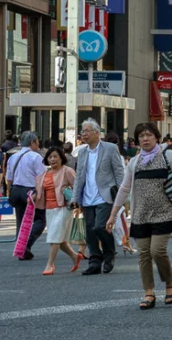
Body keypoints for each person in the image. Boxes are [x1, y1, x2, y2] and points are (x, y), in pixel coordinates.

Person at [108, 122, 172, 309]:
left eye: (148, 135)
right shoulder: (135, 162)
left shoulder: (168, 156)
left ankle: (169, 283)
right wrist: (113, 215)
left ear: (156, 137)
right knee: (144, 254)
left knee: (157, 251)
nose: (145, 139)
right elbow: (124, 189)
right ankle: (149, 292)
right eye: (141, 136)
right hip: (140, 215)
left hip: (164, 213)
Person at [68, 118, 126, 275]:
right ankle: (95, 261)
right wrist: (75, 198)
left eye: (86, 131)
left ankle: (109, 254)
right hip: (87, 197)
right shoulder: (82, 152)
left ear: (96, 132)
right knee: (90, 231)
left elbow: (119, 172)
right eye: (82, 131)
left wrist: (123, 195)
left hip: (105, 196)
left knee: (100, 226)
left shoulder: (110, 148)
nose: (83, 134)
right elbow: (79, 176)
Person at [35, 146, 81, 274]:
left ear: (61, 158)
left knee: (54, 237)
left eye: (55, 156)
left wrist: (78, 205)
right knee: (59, 240)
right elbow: (39, 191)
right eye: (50, 157)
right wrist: (33, 197)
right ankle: (75, 256)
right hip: (49, 209)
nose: (52, 159)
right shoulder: (45, 173)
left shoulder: (67, 171)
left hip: (64, 208)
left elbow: (77, 186)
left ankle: (50, 265)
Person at [5, 131, 46, 260]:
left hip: (16, 190)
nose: (38, 144)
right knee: (40, 218)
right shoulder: (36, 157)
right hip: (30, 191)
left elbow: (9, 178)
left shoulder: (13, 157)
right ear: (32, 142)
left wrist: (9, 191)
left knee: (20, 220)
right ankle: (25, 245)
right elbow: (41, 177)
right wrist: (39, 193)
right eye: (37, 142)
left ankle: (20, 248)